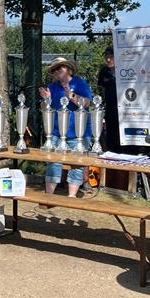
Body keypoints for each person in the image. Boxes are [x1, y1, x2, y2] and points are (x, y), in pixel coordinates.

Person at [38, 56, 93, 196]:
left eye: (59, 67)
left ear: (68, 69)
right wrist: (46, 100)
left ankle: (71, 197)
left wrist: (72, 96)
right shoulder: (52, 87)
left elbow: (87, 103)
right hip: (56, 131)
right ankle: (48, 196)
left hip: (78, 132)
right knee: (52, 161)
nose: (56, 71)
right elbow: (44, 107)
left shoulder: (80, 83)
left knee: (77, 164)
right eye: (54, 70)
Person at [97, 45, 121, 152]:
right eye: (106, 57)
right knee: (112, 140)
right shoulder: (103, 72)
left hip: (125, 110)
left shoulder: (125, 69)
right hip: (110, 110)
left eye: (111, 57)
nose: (108, 59)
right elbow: (101, 90)